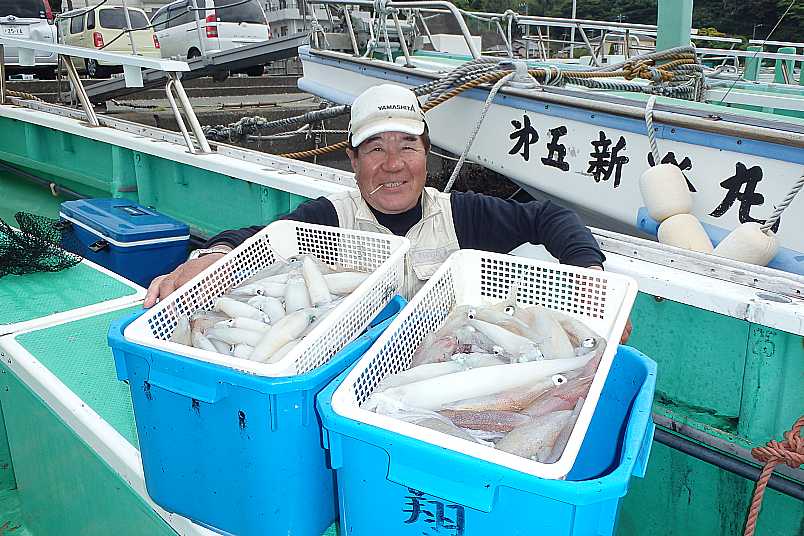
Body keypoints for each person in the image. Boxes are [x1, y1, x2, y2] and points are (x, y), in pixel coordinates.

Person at [145, 84, 632, 342]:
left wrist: (589, 275)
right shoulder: (331, 217)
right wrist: (212, 255)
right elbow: (258, 237)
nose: (393, 164)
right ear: (353, 161)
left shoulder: (461, 215)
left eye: (407, 147)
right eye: (375, 149)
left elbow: (548, 217)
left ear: (427, 156)